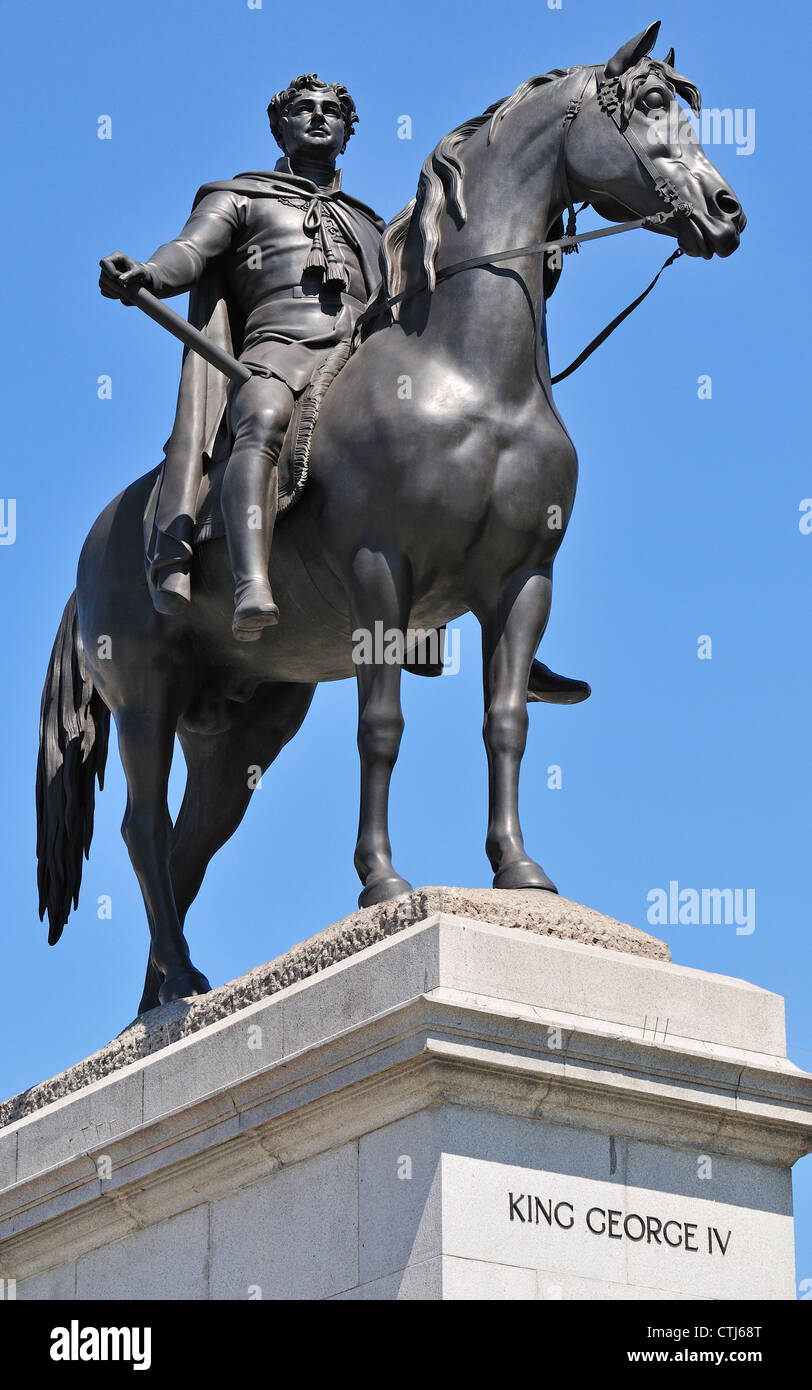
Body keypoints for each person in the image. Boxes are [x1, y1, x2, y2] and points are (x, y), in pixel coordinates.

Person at [100, 74, 384, 639]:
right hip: (279, 349)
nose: (319, 116)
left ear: (349, 134)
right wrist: (152, 273)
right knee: (263, 417)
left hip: (364, 356)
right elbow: (189, 251)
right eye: (304, 108)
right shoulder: (239, 195)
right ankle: (250, 582)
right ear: (279, 128)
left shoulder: (371, 224)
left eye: (333, 111)